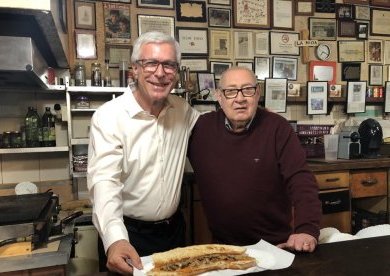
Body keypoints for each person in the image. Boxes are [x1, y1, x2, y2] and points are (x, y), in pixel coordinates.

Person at [87, 31, 200, 275]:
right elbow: (104, 182)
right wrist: (115, 239)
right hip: (127, 236)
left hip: (174, 235)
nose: (160, 73)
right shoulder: (109, 117)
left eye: (169, 65)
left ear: (176, 72)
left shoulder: (184, 112)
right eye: (150, 63)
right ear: (135, 69)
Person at [188, 67, 322, 253]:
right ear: (219, 96)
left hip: (275, 246)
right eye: (231, 91)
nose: (240, 98)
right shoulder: (201, 129)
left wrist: (307, 229)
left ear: (258, 92)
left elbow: (301, 181)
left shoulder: (277, 128)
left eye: (247, 89)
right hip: (222, 248)